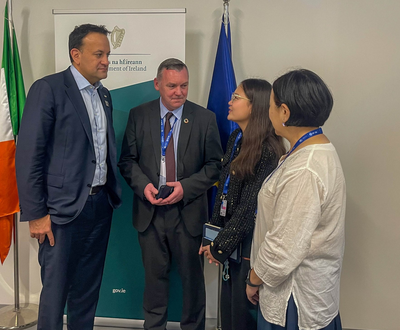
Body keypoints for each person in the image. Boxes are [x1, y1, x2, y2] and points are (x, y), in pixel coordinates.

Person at [15, 24, 122, 330]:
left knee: (87, 291)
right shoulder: (48, 89)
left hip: (99, 206)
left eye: (107, 54)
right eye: (98, 54)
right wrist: (36, 215)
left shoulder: (105, 96)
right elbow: (29, 156)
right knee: (56, 292)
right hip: (61, 212)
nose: (105, 61)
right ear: (76, 55)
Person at [118, 58, 223, 330]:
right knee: (154, 281)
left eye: (184, 85)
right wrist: (144, 186)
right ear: (157, 84)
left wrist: (185, 188)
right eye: (172, 86)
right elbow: (127, 161)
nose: (179, 92)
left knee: (192, 283)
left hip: (187, 213)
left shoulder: (204, 118)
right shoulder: (138, 115)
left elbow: (215, 166)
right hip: (150, 212)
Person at [246, 69, 345, 330]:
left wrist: (254, 279)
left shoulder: (305, 168)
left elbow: (284, 246)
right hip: (302, 289)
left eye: (270, 106)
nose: (268, 113)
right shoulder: (307, 151)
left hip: (295, 299)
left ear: (285, 112)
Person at [200, 79, 286, 330]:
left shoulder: (267, 151)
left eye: (236, 97)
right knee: (228, 312)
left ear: (254, 106)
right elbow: (223, 190)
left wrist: (220, 245)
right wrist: (212, 236)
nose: (230, 101)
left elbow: (249, 208)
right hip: (230, 240)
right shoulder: (237, 137)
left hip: (248, 245)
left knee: (241, 314)